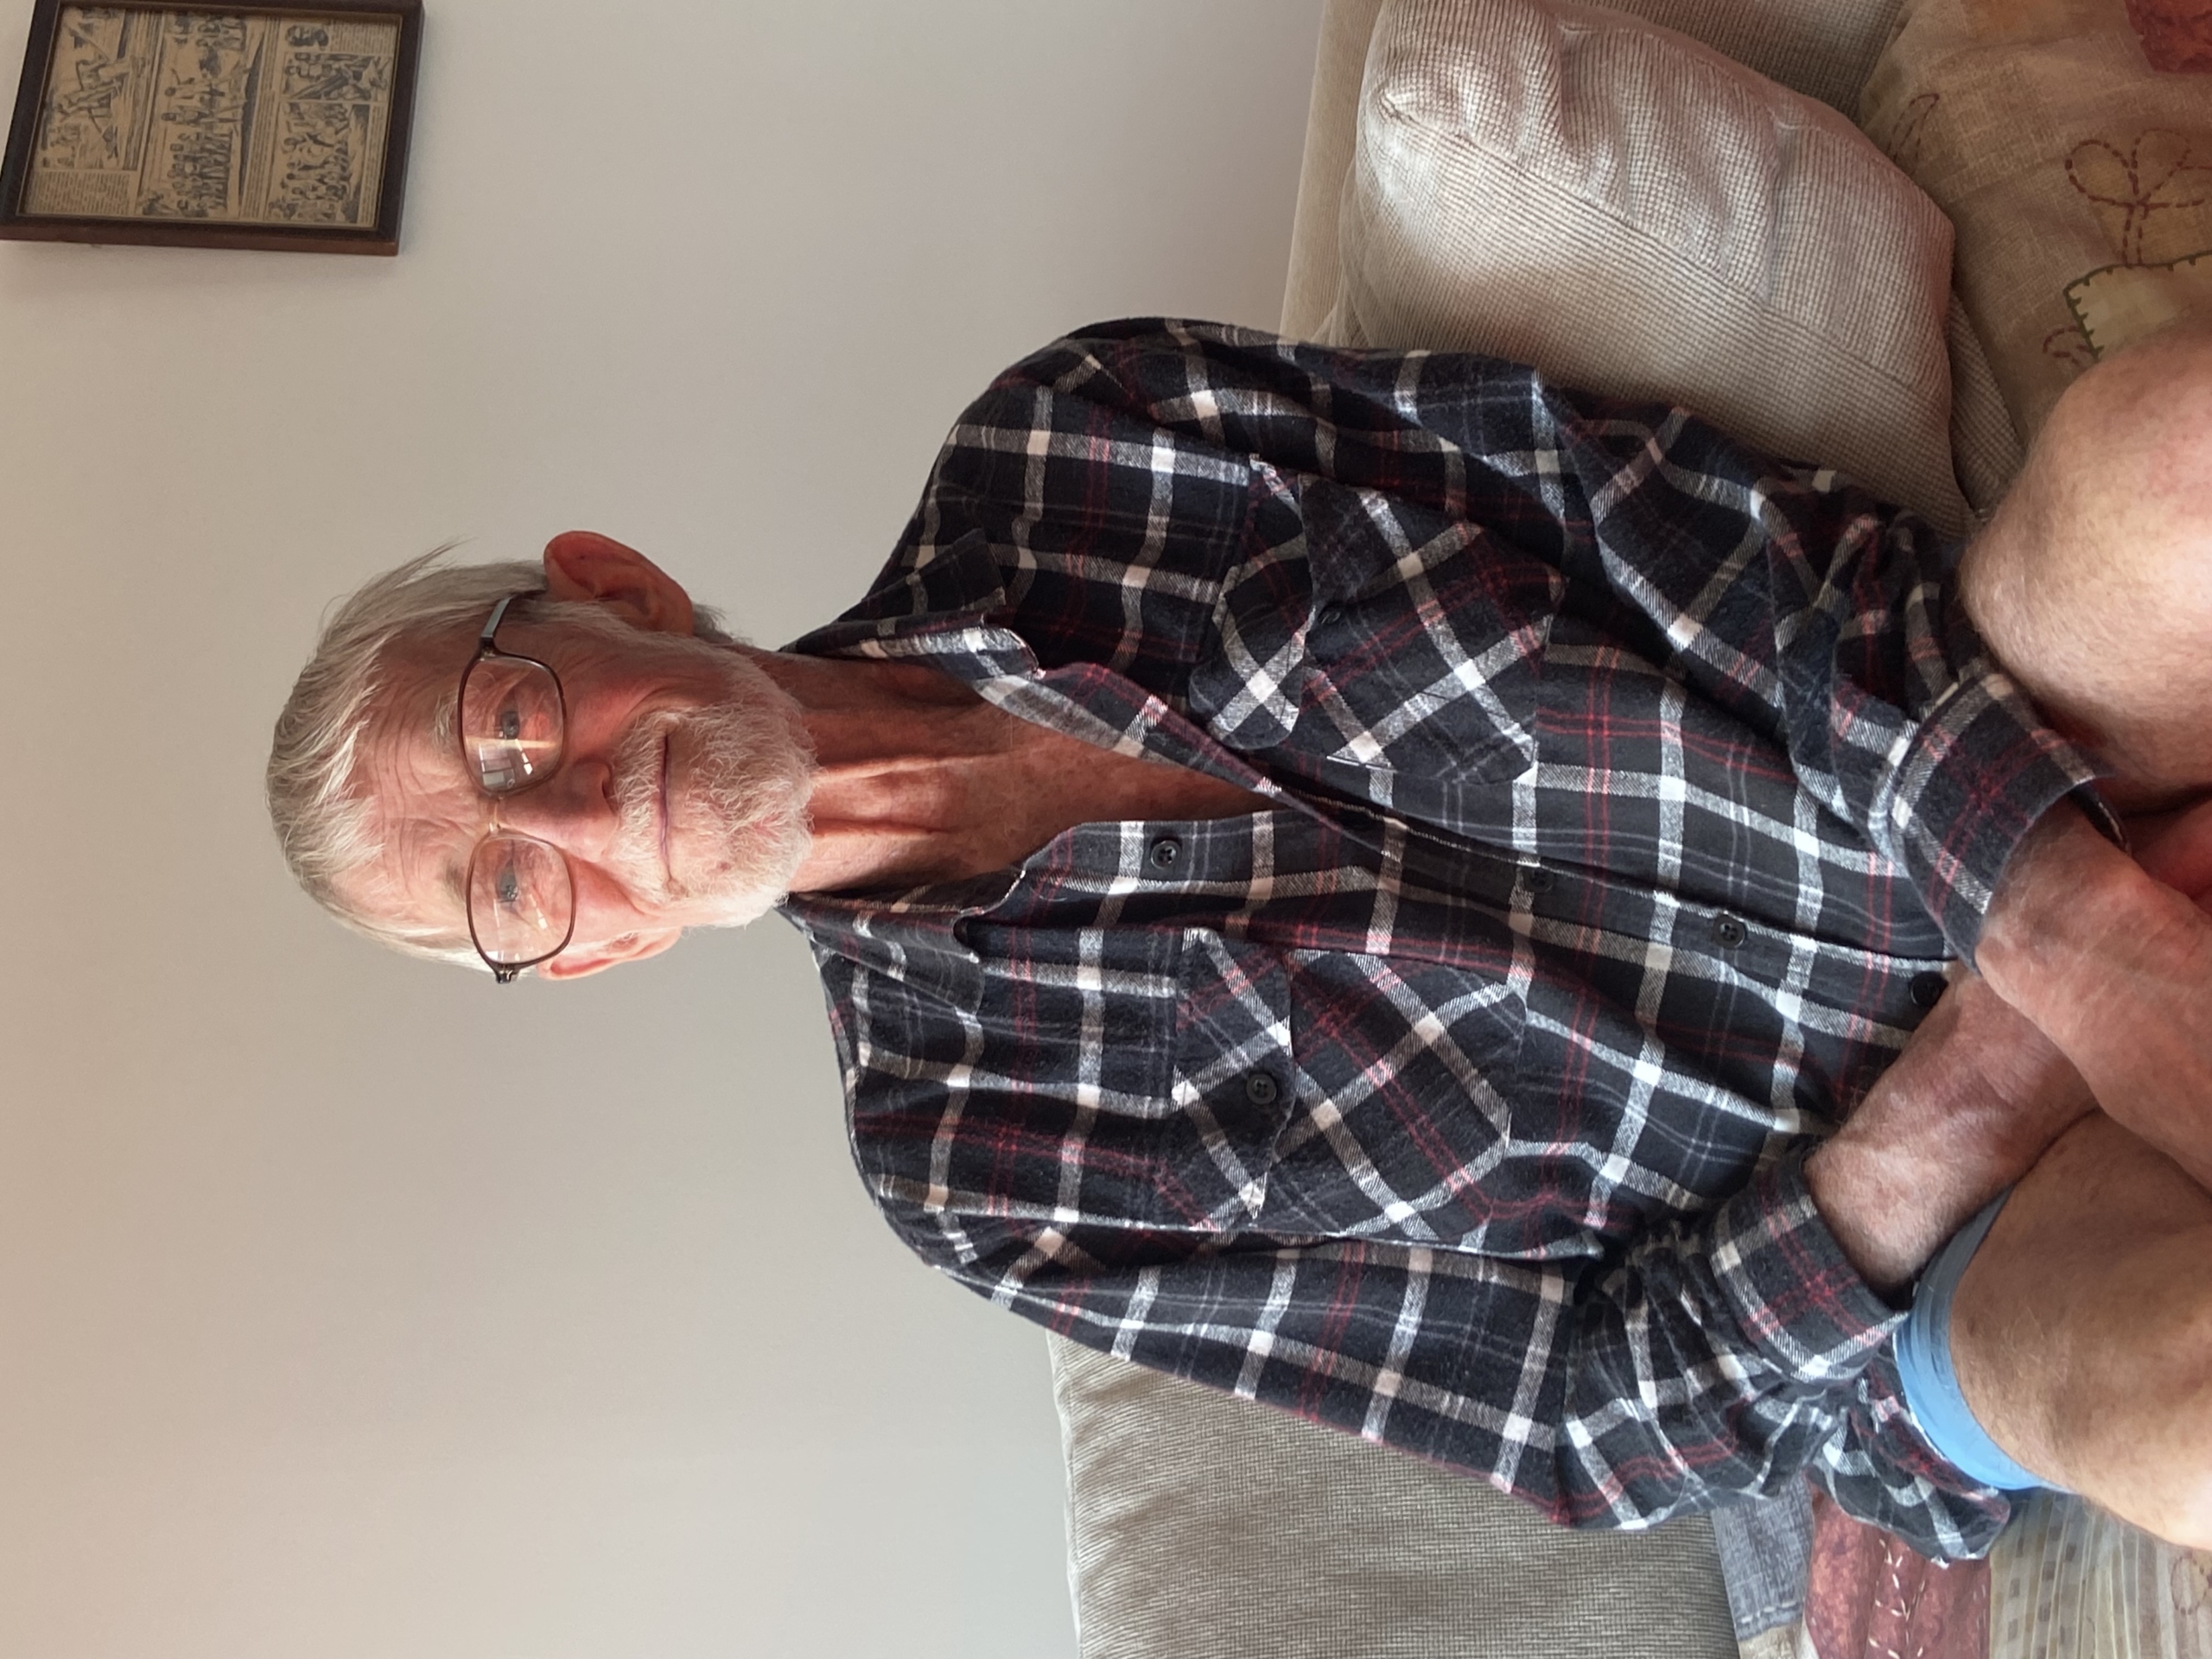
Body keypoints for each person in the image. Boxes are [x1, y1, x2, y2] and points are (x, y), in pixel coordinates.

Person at [266, 318, 2212, 1563]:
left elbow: (1693, 534)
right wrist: (1971, 1083)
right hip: (1936, 1244)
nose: (578, 818)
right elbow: (1570, 1417)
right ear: (582, 958)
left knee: (2166, 457)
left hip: (1973, 740)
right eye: (505, 891)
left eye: (512, 726)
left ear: (612, 590)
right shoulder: (971, 1169)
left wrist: (2047, 902)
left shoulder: (1082, 441)